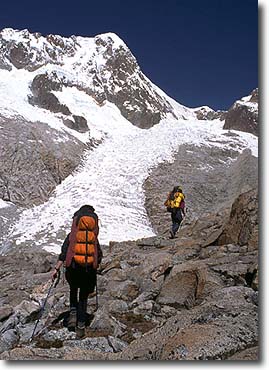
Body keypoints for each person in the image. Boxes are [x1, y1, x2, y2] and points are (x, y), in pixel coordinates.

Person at [52, 204, 103, 338]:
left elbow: (64, 253)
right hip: (87, 271)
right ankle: (81, 326)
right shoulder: (92, 239)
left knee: (73, 290)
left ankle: (72, 317)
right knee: (84, 297)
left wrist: (56, 268)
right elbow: (99, 255)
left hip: (73, 269)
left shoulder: (72, 236)